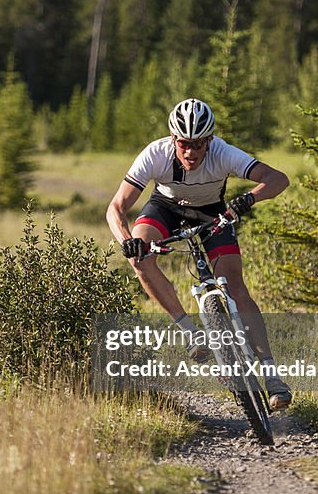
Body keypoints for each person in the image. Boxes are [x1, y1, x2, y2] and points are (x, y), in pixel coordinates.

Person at [106, 97, 292, 411]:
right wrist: (127, 240)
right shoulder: (155, 154)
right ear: (172, 140)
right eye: (184, 144)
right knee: (138, 257)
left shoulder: (223, 153)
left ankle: (272, 375)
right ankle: (190, 333)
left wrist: (248, 199)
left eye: (199, 144)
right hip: (165, 209)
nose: (191, 152)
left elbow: (278, 179)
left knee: (234, 284)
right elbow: (116, 207)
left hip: (212, 213)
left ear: (210, 141)